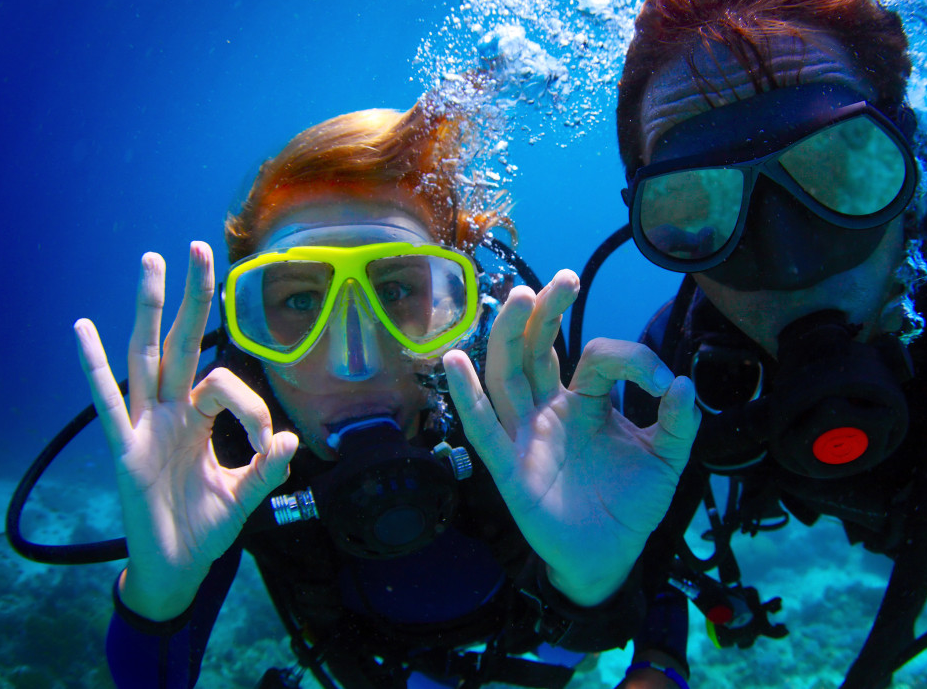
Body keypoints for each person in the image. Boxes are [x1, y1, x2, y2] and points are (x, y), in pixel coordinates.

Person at [73, 99, 702, 688]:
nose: (356, 362)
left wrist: (593, 582)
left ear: (460, 310)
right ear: (251, 328)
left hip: (538, 639)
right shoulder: (225, 446)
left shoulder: (520, 403)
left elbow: (631, 606)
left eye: (397, 291)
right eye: (300, 301)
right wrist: (160, 591)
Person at [607, 0, 927, 687]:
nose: (791, 263)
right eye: (695, 204)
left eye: (840, 168)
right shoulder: (670, 382)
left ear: (911, 159)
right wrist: (634, 643)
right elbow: (640, 558)